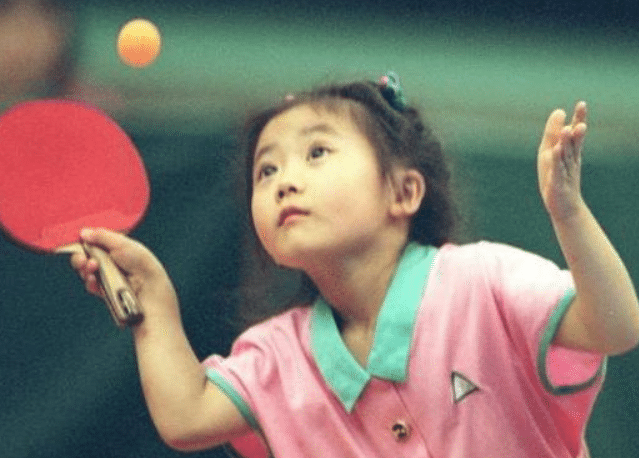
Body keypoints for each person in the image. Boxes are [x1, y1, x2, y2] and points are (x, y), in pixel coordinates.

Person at [71, 73, 639, 457]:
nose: (285, 181)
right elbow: (186, 417)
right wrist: (153, 304)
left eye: (317, 152)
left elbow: (616, 326)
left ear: (403, 192)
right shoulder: (277, 355)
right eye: (266, 171)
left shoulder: (484, 281)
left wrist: (568, 212)